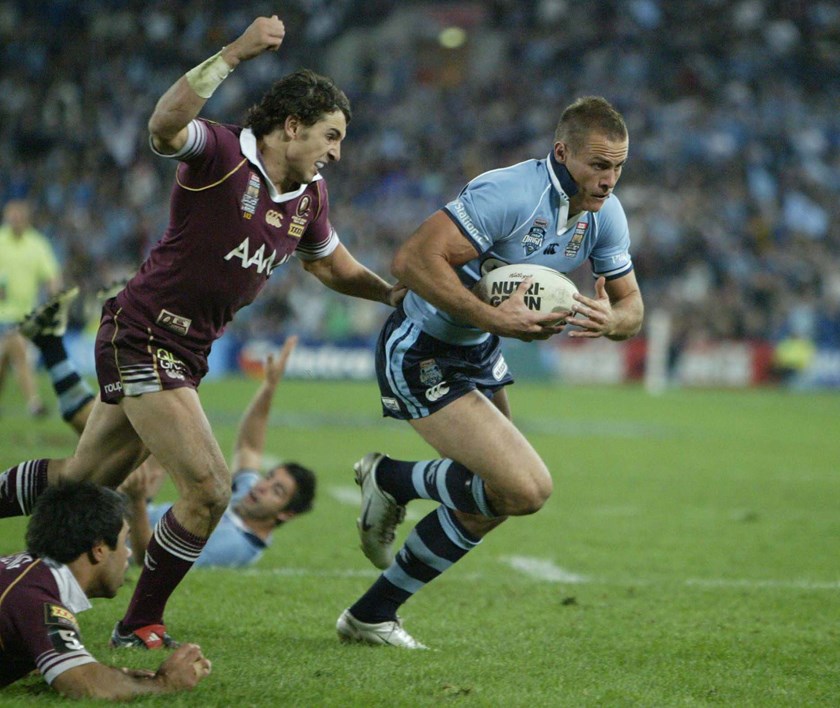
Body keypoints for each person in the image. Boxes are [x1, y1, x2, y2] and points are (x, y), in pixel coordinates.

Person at [0, 14, 403, 649]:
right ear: (292, 126)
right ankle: (139, 627)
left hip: (185, 350)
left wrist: (390, 293)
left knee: (83, 480)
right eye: (331, 135)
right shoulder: (221, 152)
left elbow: (330, 264)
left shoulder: (310, 196)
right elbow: (162, 126)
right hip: (143, 333)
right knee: (211, 490)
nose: (337, 152)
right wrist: (236, 54)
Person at [336, 96, 644, 648]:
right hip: (421, 347)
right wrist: (491, 316)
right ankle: (391, 480)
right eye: (599, 165)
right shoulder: (509, 193)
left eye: (619, 166)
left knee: (497, 499)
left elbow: (633, 309)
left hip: (478, 351)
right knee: (527, 488)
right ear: (562, 153)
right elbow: (410, 261)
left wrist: (611, 320)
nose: (609, 179)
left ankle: (371, 615)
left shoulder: (605, 214)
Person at [17, 294, 315, 568]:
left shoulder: (236, 544)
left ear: (285, 514)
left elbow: (150, 557)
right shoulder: (242, 500)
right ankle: (52, 344)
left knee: (115, 437)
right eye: (269, 477)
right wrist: (269, 388)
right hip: (133, 508)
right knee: (125, 427)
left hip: (123, 527)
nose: (260, 486)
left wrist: (135, 501)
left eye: (277, 491)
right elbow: (249, 446)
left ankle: (60, 342)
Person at [0, 481, 211, 698]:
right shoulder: (36, 600)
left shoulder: (25, 573)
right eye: (125, 541)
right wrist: (165, 683)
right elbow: (83, 683)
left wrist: (118, 677)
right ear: (99, 549)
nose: (127, 554)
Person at [0, 198, 63, 417]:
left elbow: (52, 275)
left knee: (11, 353)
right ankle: (34, 403)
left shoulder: (37, 244)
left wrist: (54, 301)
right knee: (15, 352)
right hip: (1, 314)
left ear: (26, 219)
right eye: (12, 217)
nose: (15, 221)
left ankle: (34, 403)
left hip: (25, 315)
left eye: (19, 217)